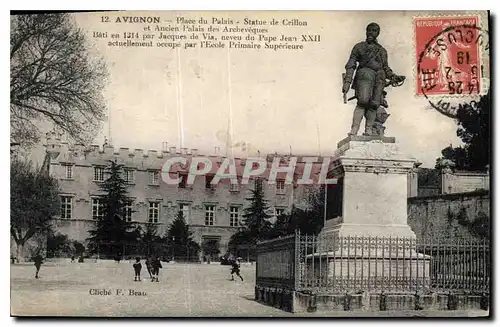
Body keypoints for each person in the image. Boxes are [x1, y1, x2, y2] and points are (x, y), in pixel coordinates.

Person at [342, 22, 405, 136]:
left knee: (374, 104)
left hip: (379, 77)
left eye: (374, 31)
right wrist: (347, 82)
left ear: (378, 33)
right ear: (366, 31)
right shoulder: (359, 47)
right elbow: (351, 65)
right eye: (369, 30)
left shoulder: (382, 51)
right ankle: (354, 130)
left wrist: (394, 77)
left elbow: (386, 68)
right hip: (364, 75)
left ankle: (369, 130)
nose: (371, 33)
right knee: (362, 102)